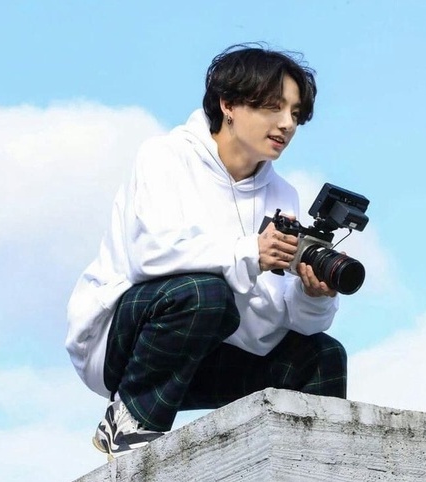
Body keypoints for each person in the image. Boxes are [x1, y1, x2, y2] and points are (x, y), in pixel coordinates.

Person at [66, 43, 347, 460]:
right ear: (228, 103)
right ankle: (129, 423)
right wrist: (250, 253)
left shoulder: (282, 195)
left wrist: (311, 296)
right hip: (122, 347)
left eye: (295, 113)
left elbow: (279, 320)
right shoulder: (165, 156)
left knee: (324, 355)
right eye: (273, 107)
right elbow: (151, 255)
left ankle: (311, 466)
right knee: (206, 294)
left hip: (213, 351)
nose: (287, 124)